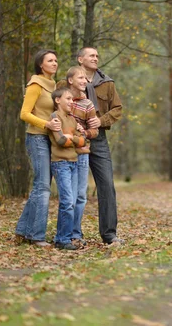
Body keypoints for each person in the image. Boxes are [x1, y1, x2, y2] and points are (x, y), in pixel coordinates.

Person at [77, 47, 123, 245]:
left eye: (97, 56)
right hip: (74, 138)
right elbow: (58, 104)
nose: (96, 58)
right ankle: (72, 233)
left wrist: (101, 120)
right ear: (81, 59)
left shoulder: (107, 83)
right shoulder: (69, 80)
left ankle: (109, 234)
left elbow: (118, 108)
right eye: (91, 56)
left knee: (107, 185)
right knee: (75, 188)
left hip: (99, 138)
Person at [15, 49, 61, 247]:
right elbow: (24, 114)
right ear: (41, 64)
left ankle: (23, 230)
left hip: (51, 140)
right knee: (43, 187)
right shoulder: (35, 84)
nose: (54, 63)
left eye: (56, 60)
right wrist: (46, 124)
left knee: (40, 186)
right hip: (36, 138)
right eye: (50, 60)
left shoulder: (55, 86)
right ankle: (37, 236)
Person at [64, 66, 99, 247]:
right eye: (80, 78)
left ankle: (75, 233)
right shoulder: (63, 100)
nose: (84, 81)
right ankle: (64, 234)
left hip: (82, 154)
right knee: (67, 198)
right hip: (64, 154)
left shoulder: (88, 104)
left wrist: (85, 132)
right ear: (70, 80)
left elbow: (94, 131)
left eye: (86, 78)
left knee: (80, 196)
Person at [49, 87, 87, 251]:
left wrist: (74, 137)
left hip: (74, 162)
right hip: (61, 163)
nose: (72, 102)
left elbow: (83, 140)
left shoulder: (72, 119)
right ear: (58, 100)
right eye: (68, 99)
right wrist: (74, 138)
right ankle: (62, 239)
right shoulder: (54, 117)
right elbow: (61, 141)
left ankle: (66, 236)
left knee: (71, 202)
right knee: (67, 202)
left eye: (72, 99)